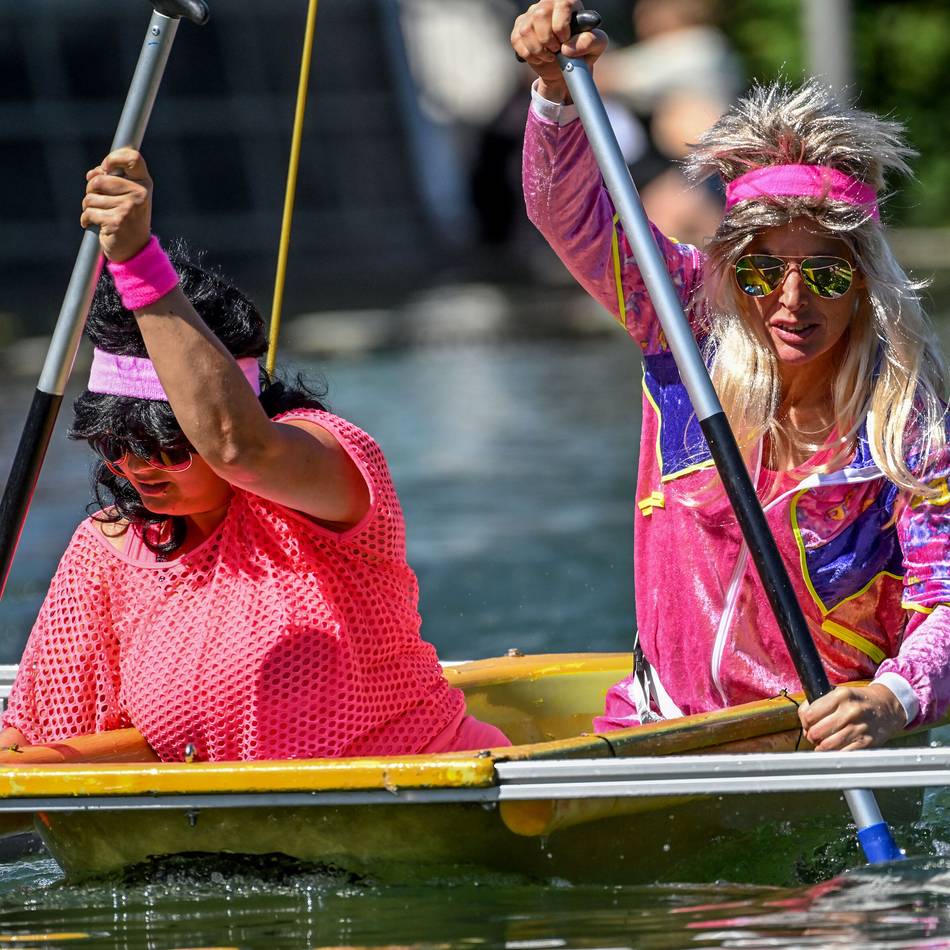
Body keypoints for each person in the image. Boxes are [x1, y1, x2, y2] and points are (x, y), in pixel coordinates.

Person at [511, 1, 950, 750]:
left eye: (824, 274)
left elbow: (945, 599)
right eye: (761, 270)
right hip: (661, 727)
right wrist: (554, 90)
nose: (790, 300)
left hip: (816, 746)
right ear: (730, 273)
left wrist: (893, 698)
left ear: (865, 285)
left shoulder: (907, 429)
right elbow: (570, 214)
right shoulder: (684, 328)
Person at [0, 148, 509, 762]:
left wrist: (136, 263)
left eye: (168, 448)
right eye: (116, 447)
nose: (136, 469)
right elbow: (51, 751)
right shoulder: (104, 549)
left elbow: (237, 446)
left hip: (421, 790)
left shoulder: (328, 466)